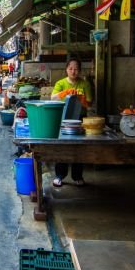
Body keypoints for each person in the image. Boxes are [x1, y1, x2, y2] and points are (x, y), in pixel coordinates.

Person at [50, 57, 93, 187]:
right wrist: (66, 92)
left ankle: (77, 176)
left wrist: (81, 99)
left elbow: (89, 104)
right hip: (63, 120)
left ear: (79, 71)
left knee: (78, 148)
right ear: (66, 70)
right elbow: (53, 97)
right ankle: (59, 176)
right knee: (62, 147)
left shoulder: (84, 84)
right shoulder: (61, 83)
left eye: (76, 69)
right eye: (71, 69)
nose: (73, 71)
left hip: (79, 120)